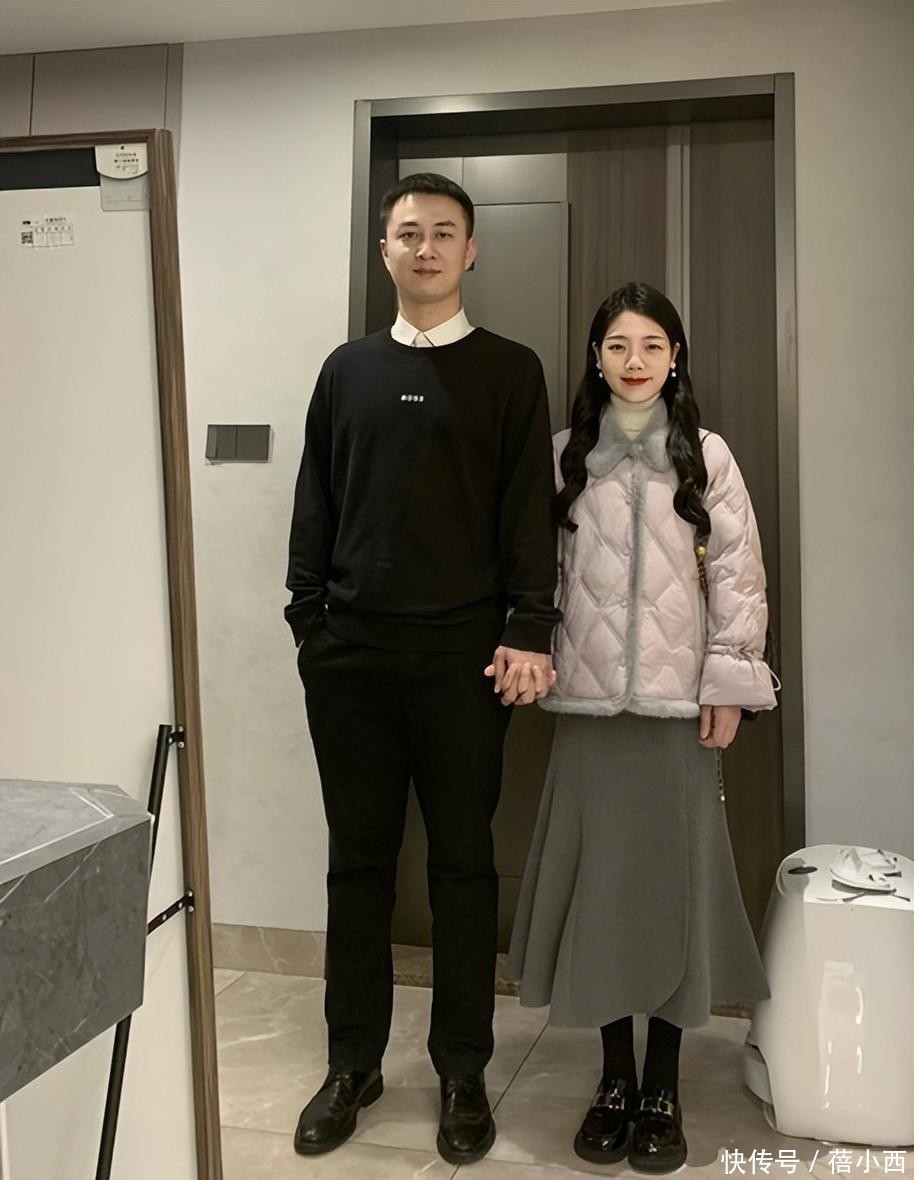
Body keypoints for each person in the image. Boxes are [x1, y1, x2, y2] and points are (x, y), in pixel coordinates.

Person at [285, 173, 560, 1165]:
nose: (427, 248)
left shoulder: (509, 371)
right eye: (410, 233)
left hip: (463, 664)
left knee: (461, 866)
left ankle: (461, 1070)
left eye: (445, 233)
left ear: (471, 251)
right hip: (349, 659)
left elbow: (529, 512)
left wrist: (530, 625)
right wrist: (306, 620)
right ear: (385, 250)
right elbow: (314, 501)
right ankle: (351, 1063)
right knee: (356, 864)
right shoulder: (346, 370)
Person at [508, 282, 777, 1173]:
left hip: (677, 718)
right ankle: (613, 1078)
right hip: (588, 713)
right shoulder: (562, 456)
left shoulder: (707, 455)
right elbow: (534, 570)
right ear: (596, 357)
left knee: (672, 896)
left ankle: (663, 1083)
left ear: (674, 358)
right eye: (618, 345)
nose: (635, 361)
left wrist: (730, 682)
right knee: (602, 896)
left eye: (652, 345)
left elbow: (737, 574)